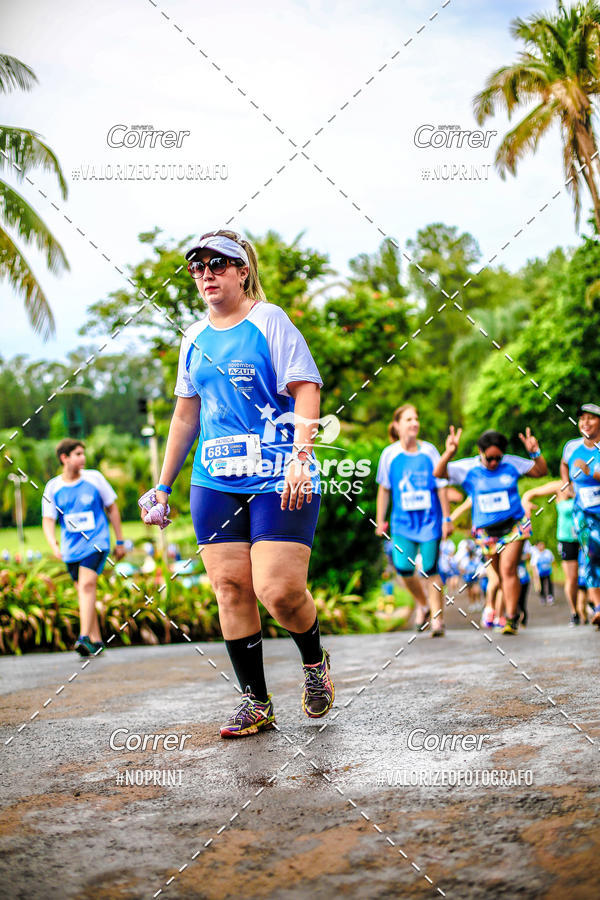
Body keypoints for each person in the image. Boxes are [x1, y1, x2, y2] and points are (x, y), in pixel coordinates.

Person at [140, 230, 333, 738]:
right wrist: (163, 485)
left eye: (218, 264)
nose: (206, 274)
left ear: (242, 271)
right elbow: (185, 417)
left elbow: (305, 389)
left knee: (278, 591)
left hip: (278, 476)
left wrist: (302, 456)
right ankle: (256, 702)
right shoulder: (192, 338)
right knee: (230, 588)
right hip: (214, 480)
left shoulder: (269, 321)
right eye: (197, 266)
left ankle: (314, 661)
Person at [434, 426, 547, 634]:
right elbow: (438, 473)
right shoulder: (468, 468)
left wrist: (535, 453)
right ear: (480, 452)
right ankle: (512, 610)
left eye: (498, 458)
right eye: (489, 459)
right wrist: (449, 452)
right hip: (486, 532)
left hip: (514, 526)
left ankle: (511, 618)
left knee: (508, 569)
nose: (494, 463)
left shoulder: (511, 463)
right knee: (499, 575)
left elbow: (541, 471)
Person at [42, 438, 126, 656]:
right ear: (64, 458)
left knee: (87, 586)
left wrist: (119, 541)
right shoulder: (53, 487)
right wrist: (54, 544)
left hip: (97, 543)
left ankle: (84, 637)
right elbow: (48, 520)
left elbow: (112, 508)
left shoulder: (94, 478)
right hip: (71, 549)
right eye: (78, 454)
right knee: (84, 592)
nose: (83, 458)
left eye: (83, 453)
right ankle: (97, 641)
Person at [375, 404, 451, 636]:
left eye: (416, 419)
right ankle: (423, 604)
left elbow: (441, 486)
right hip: (402, 524)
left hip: (429, 522)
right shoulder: (389, 454)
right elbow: (384, 489)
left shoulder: (429, 451)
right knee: (404, 569)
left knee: (430, 569)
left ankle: (437, 621)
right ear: (397, 425)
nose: (414, 423)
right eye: (408, 419)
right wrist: (380, 520)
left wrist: (447, 518)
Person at [560, 403, 600, 627]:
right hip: (583, 512)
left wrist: (589, 472)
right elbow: (564, 464)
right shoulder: (571, 447)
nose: (585, 422)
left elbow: (589, 471)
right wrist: (566, 484)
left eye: (591, 418)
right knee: (591, 555)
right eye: (582, 418)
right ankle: (598, 607)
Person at [522, 481, 579, 624]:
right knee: (572, 577)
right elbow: (530, 494)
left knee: (592, 574)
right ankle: (575, 612)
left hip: (588, 536)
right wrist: (526, 503)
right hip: (567, 539)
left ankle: (593, 607)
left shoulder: (589, 482)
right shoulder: (560, 486)